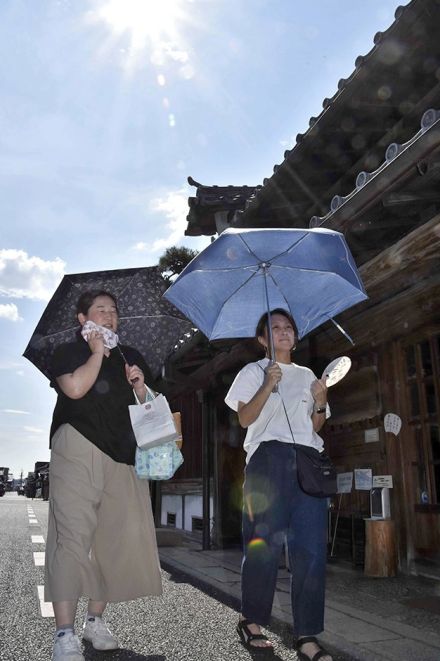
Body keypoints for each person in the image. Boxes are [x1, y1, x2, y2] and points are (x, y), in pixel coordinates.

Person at [45, 290, 162, 661]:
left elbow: (150, 411)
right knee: (73, 537)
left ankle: (94, 621)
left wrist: (141, 386)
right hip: (77, 446)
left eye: (113, 310)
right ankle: (63, 633)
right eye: (100, 310)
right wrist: (97, 352)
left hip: (123, 456)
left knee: (113, 539)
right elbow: (75, 388)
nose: (109, 315)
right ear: (83, 319)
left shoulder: (131, 357)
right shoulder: (69, 351)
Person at [225, 308, 333, 661]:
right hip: (267, 460)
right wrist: (268, 384)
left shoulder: (308, 375)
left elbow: (315, 427)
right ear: (262, 339)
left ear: (295, 336)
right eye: (275, 328)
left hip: (307, 460)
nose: (283, 332)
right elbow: (244, 418)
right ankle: (252, 620)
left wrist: (320, 402)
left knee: (312, 551)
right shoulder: (253, 371)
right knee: (263, 545)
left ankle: (307, 635)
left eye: (289, 327)